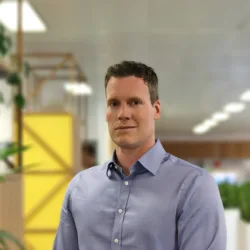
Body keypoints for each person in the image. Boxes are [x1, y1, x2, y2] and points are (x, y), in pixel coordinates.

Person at [53, 61, 227, 250]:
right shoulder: (79, 188)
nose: (123, 113)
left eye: (134, 102)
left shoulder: (194, 186)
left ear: (156, 109)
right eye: (114, 103)